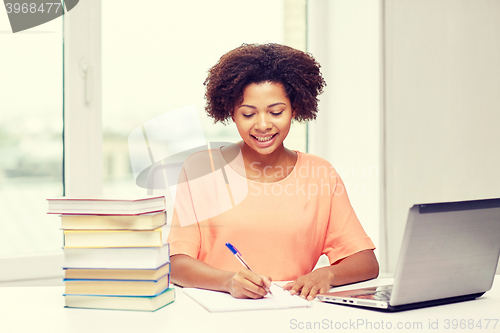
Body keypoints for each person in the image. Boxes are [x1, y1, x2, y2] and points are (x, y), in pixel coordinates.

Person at [167, 43, 379, 301]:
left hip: (293, 315)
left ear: (295, 109)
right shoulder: (202, 170)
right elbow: (177, 265)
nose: (263, 125)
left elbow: (366, 262)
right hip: (218, 315)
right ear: (231, 113)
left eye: (276, 112)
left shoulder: (320, 174)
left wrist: (327, 275)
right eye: (248, 114)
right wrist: (228, 281)